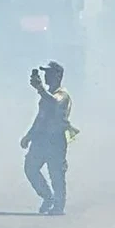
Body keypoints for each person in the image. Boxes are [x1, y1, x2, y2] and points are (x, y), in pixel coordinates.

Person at [20, 60, 78, 215]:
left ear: (58, 76)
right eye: (46, 73)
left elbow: (55, 103)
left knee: (56, 173)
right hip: (41, 138)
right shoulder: (48, 95)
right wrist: (29, 135)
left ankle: (59, 205)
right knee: (30, 168)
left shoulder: (62, 95)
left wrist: (40, 89)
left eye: (50, 73)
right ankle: (48, 197)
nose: (46, 76)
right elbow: (40, 118)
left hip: (55, 140)